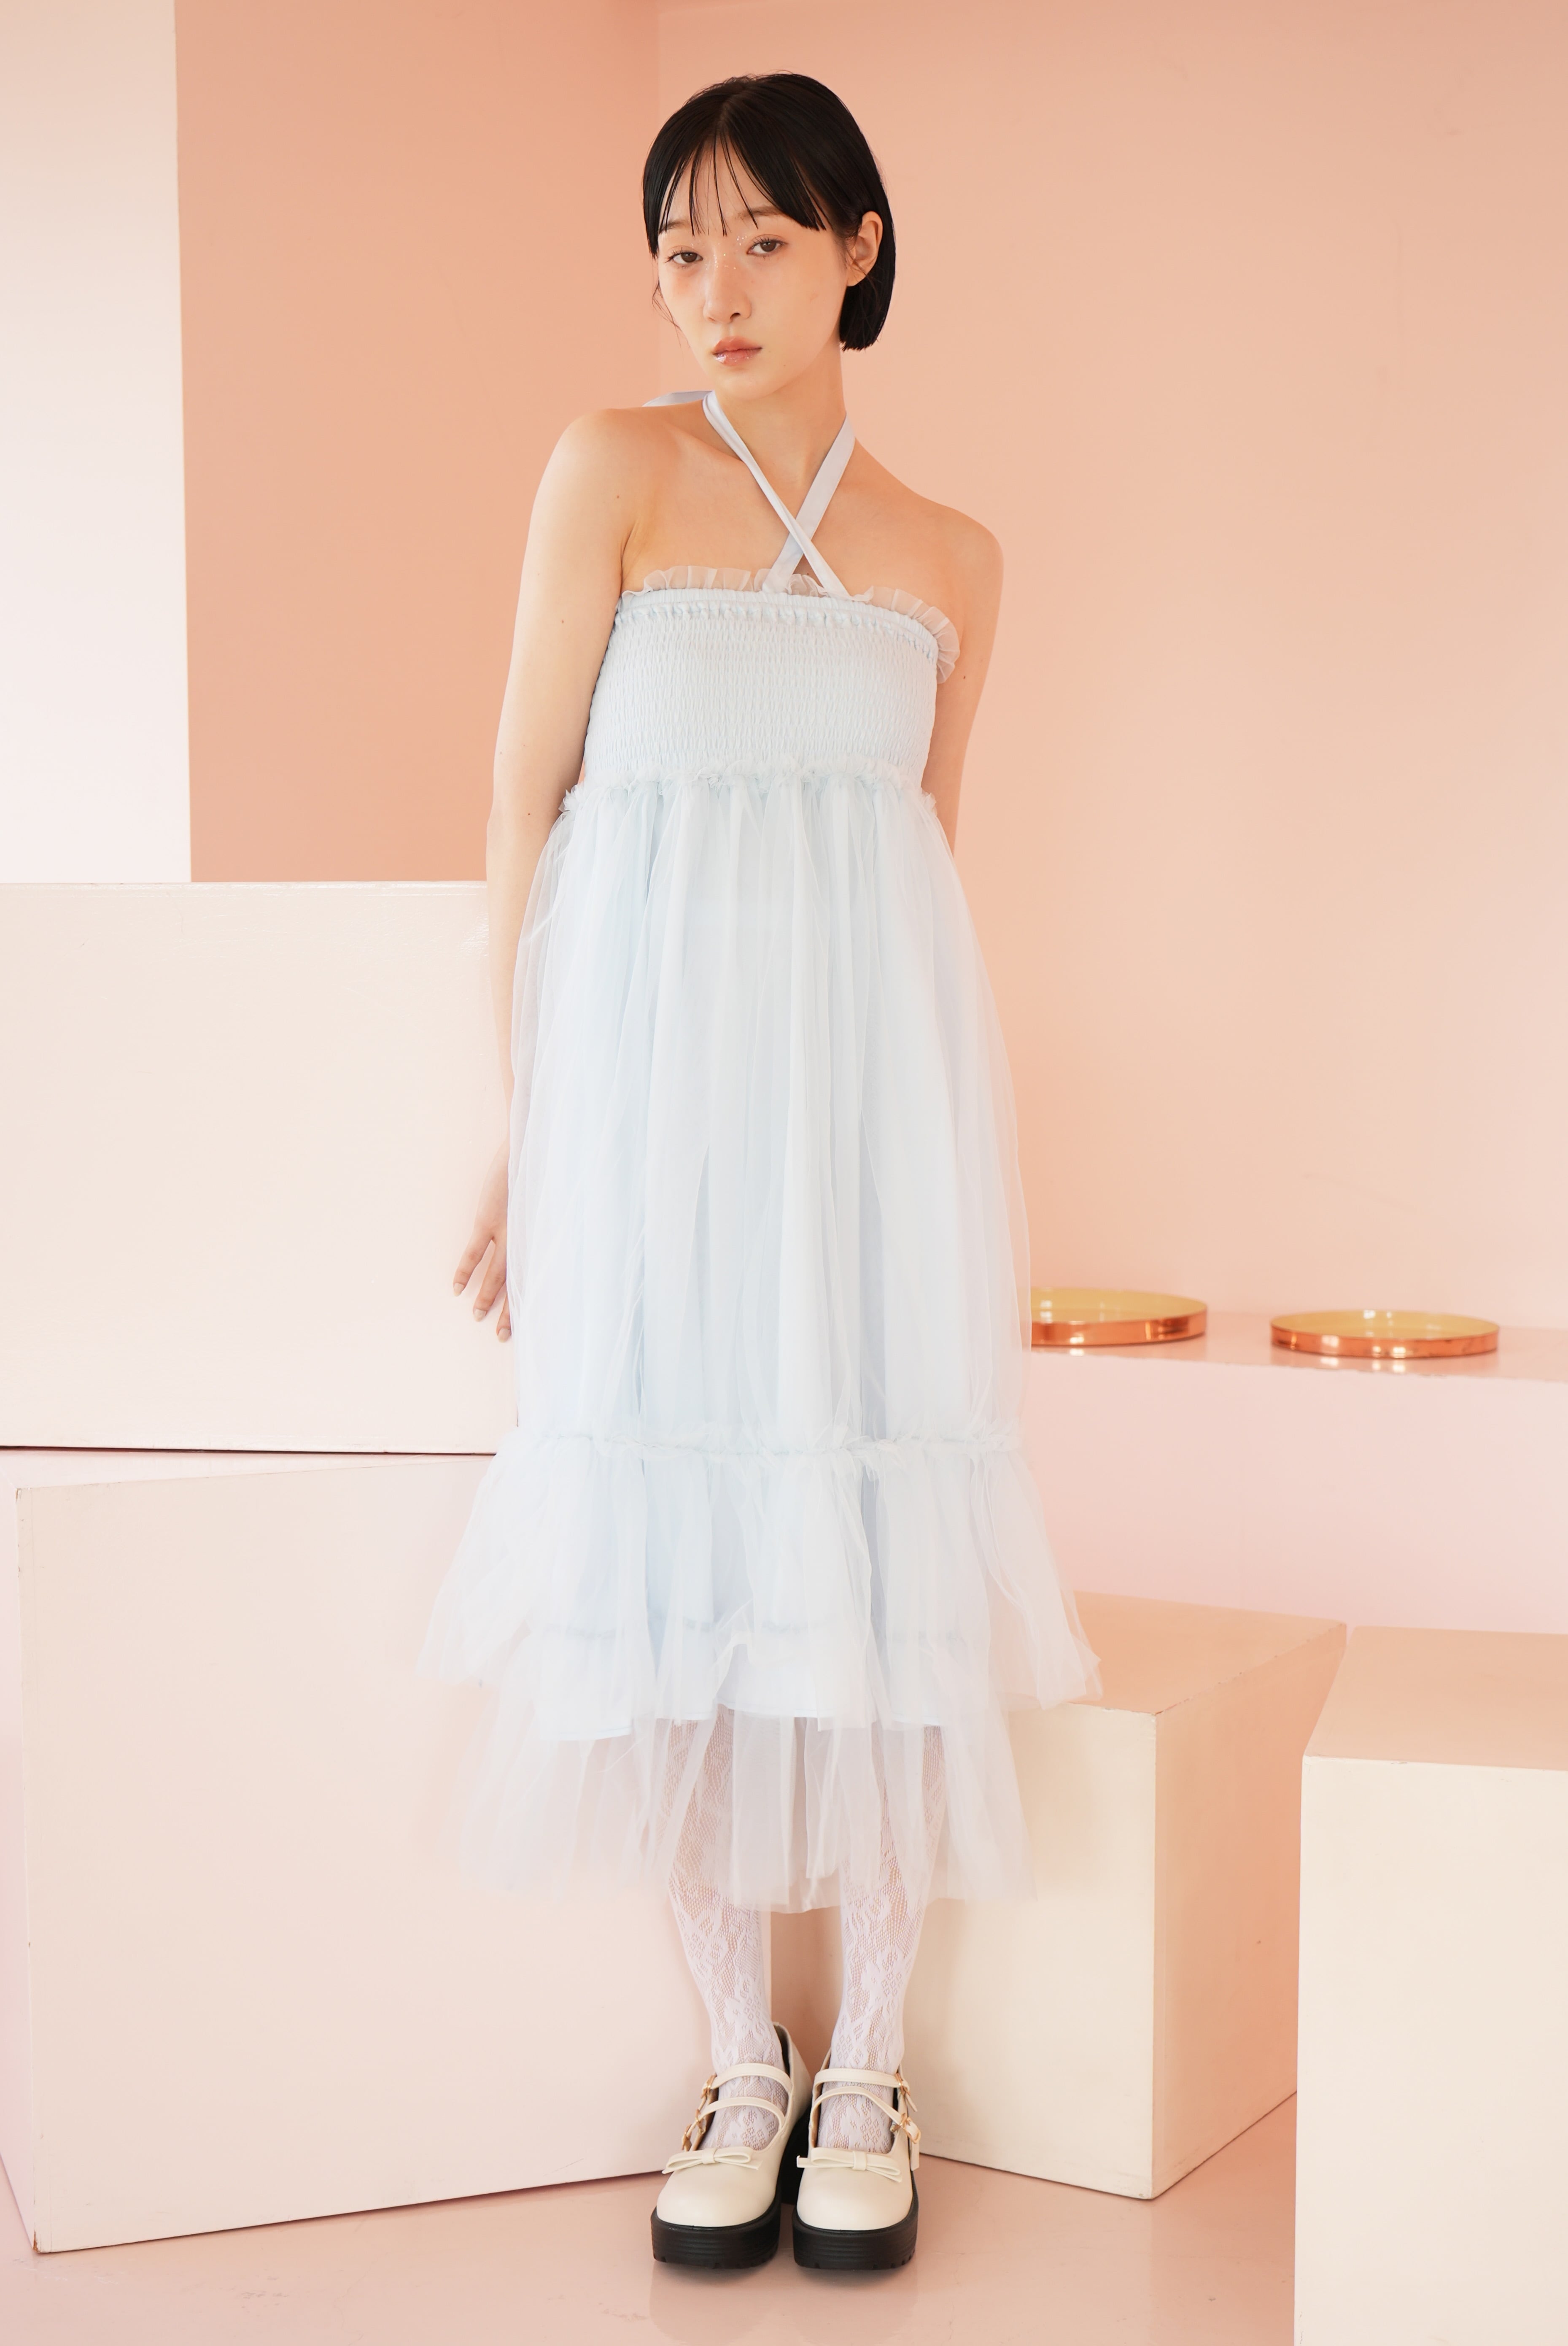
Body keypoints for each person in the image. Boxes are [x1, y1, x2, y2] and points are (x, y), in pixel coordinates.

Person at [421, 71, 1099, 2276]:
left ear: (858, 248)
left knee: (877, 1582)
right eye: (678, 250)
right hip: (649, 1120)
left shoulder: (954, 559)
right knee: (670, 1569)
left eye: (762, 242)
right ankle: (741, 2056)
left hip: (866, 1125)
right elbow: (522, 807)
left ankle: (870, 2062)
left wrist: (924, 1166)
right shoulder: (608, 472)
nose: (713, 288)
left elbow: (922, 867)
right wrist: (531, 1124)